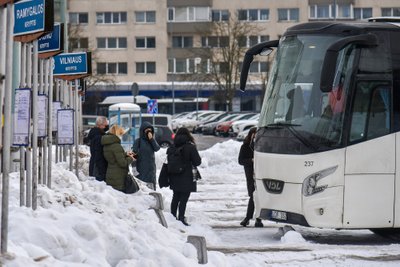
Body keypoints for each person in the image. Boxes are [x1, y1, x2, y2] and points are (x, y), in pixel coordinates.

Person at [167, 127, 201, 226]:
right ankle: (181, 217)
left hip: (174, 176)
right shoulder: (190, 147)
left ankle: (172, 217)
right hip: (187, 176)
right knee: (183, 199)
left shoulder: (172, 147)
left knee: (175, 197)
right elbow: (197, 162)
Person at [238, 127, 263, 227]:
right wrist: (251, 160)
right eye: (254, 134)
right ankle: (249, 218)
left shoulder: (262, 146)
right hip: (250, 174)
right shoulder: (245, 146)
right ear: (251, 135)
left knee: (259, 197)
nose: (256, 136)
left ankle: (257, 219)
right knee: (252, 196)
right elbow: (240, 160)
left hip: (261, 174)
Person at [102, 125, 135, 192]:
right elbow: (123, 163)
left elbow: (113, 158)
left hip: (111, 174)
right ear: (117, 134)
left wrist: (125, 154)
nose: (121, 136)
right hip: (118, 178)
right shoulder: (116, 146)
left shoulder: (107, 144)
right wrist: (131, 158)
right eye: (121, 134)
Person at [132, 121, 160, 190]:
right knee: (143, 188)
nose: (149, 132)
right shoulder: (138, 141)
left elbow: (157, 148)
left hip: (151, 169)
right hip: (141, 169)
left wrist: (152, 139)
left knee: (152, 187)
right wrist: (134, 167)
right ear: (143, 131)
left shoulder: (152, 141)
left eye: (150, 130)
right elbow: (133, 154)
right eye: (147, 130)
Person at [86, 116, 109, 181]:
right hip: (98, 168)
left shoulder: (94, 133)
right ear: (100, 125)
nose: (106, 127)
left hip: (94, 165)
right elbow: (98, 154)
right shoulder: (99, 137)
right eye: (105, 125)